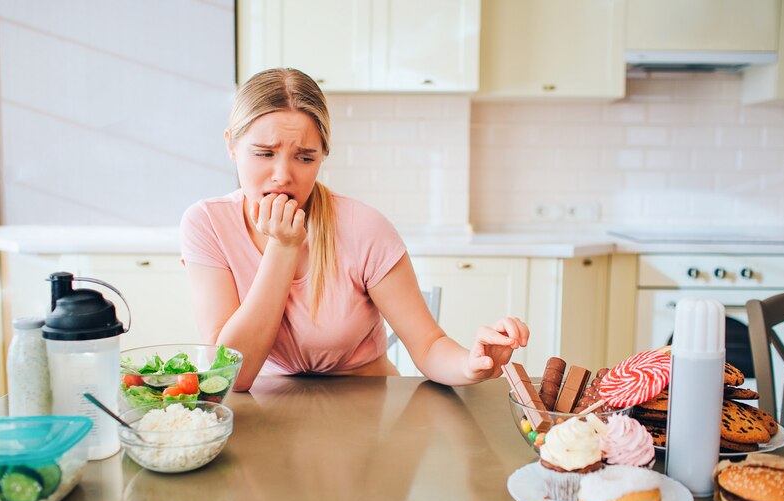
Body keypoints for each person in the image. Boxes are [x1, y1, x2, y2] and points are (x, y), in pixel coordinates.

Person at [180, 68, 529, 391]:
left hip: (371, 408)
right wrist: (283, 248)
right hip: (269, 410)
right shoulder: (208, 224)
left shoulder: (364, 228)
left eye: (304, 158)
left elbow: (427, 345)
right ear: (231, 145)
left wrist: (471, 364)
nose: (282, 175)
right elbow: (231, 376)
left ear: (322, 156)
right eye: (263, 153)